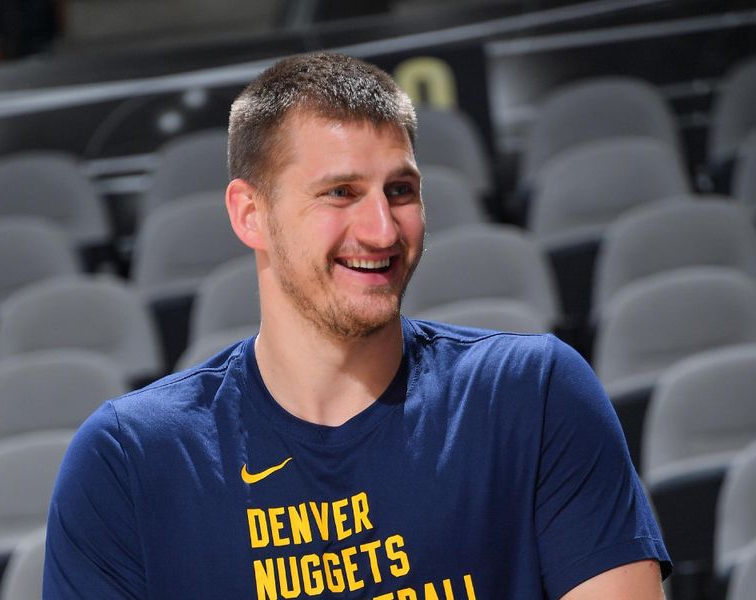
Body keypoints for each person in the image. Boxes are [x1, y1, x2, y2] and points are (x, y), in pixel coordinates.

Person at [44, 52, 670, 599]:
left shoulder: (531, 394)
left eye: (400, 190)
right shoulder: (130, 461)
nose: (383, 230)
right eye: (340, 193)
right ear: (250, 214)